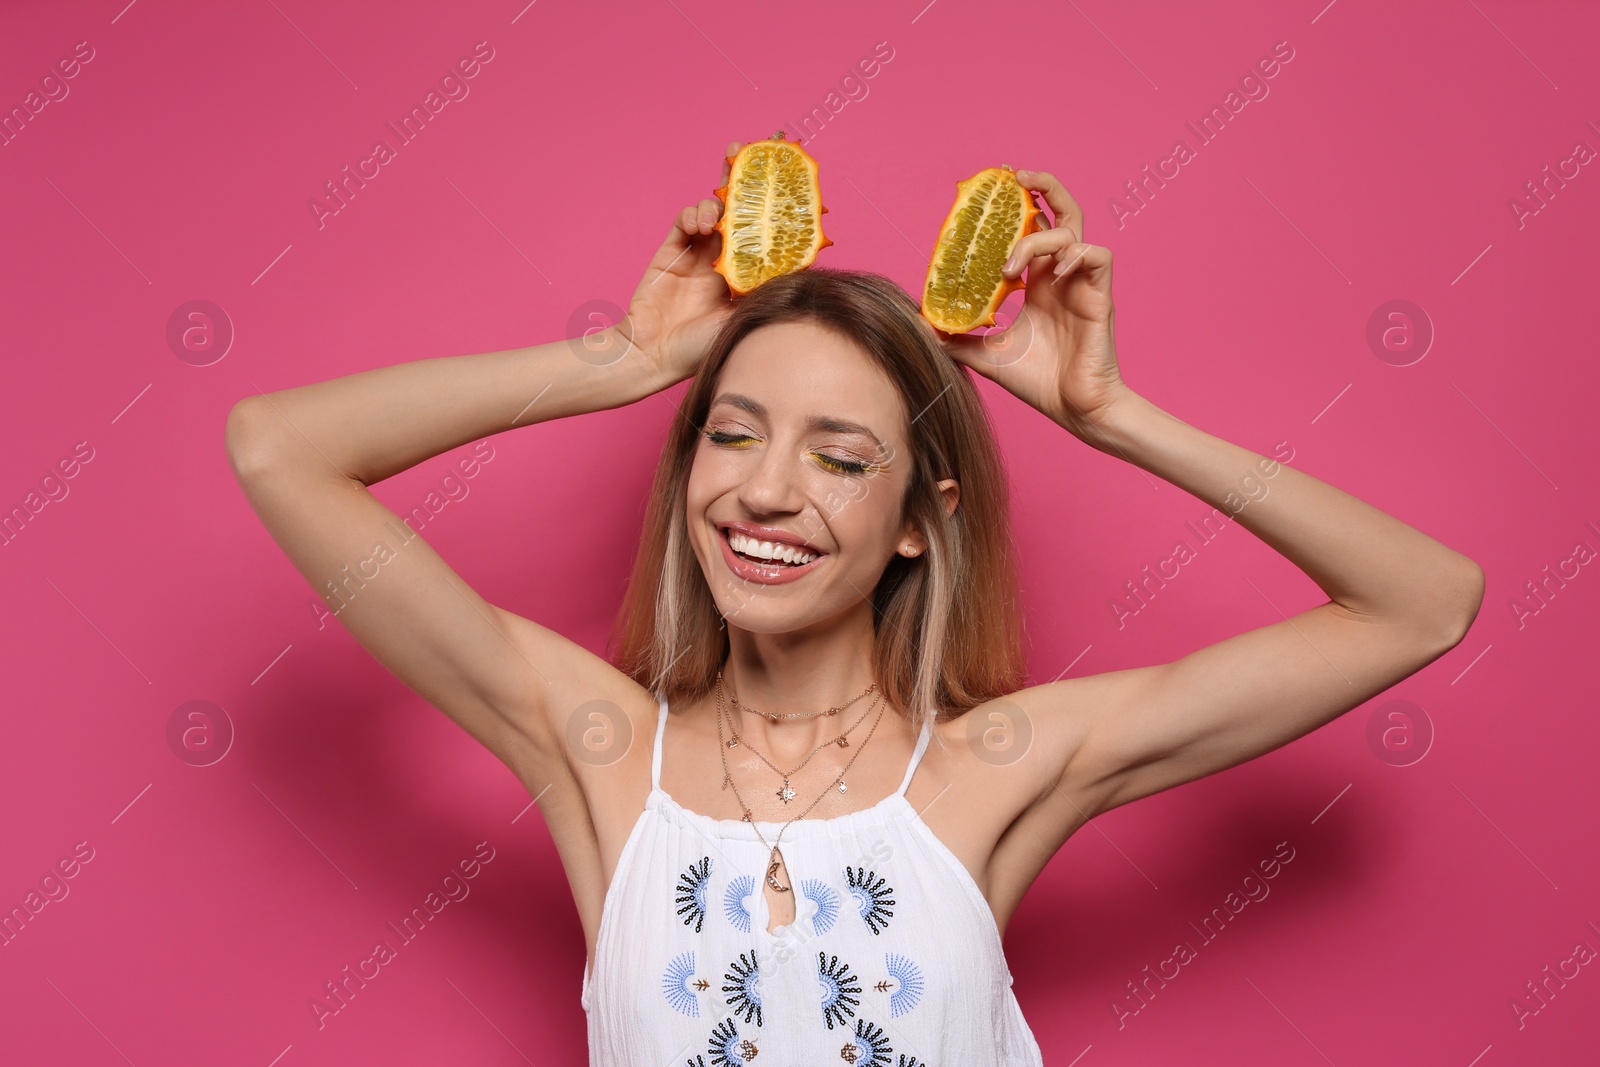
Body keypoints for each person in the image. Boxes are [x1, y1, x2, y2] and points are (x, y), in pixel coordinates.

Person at [225, 142, 1484, 1065]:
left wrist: (1117, 418)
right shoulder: (599, 749)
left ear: (919, 521)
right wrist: (620, 359)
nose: (766, 492)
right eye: (730, 433)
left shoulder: (999, 764)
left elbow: (1419, 602)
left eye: (837, 457)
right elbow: (281, 448)